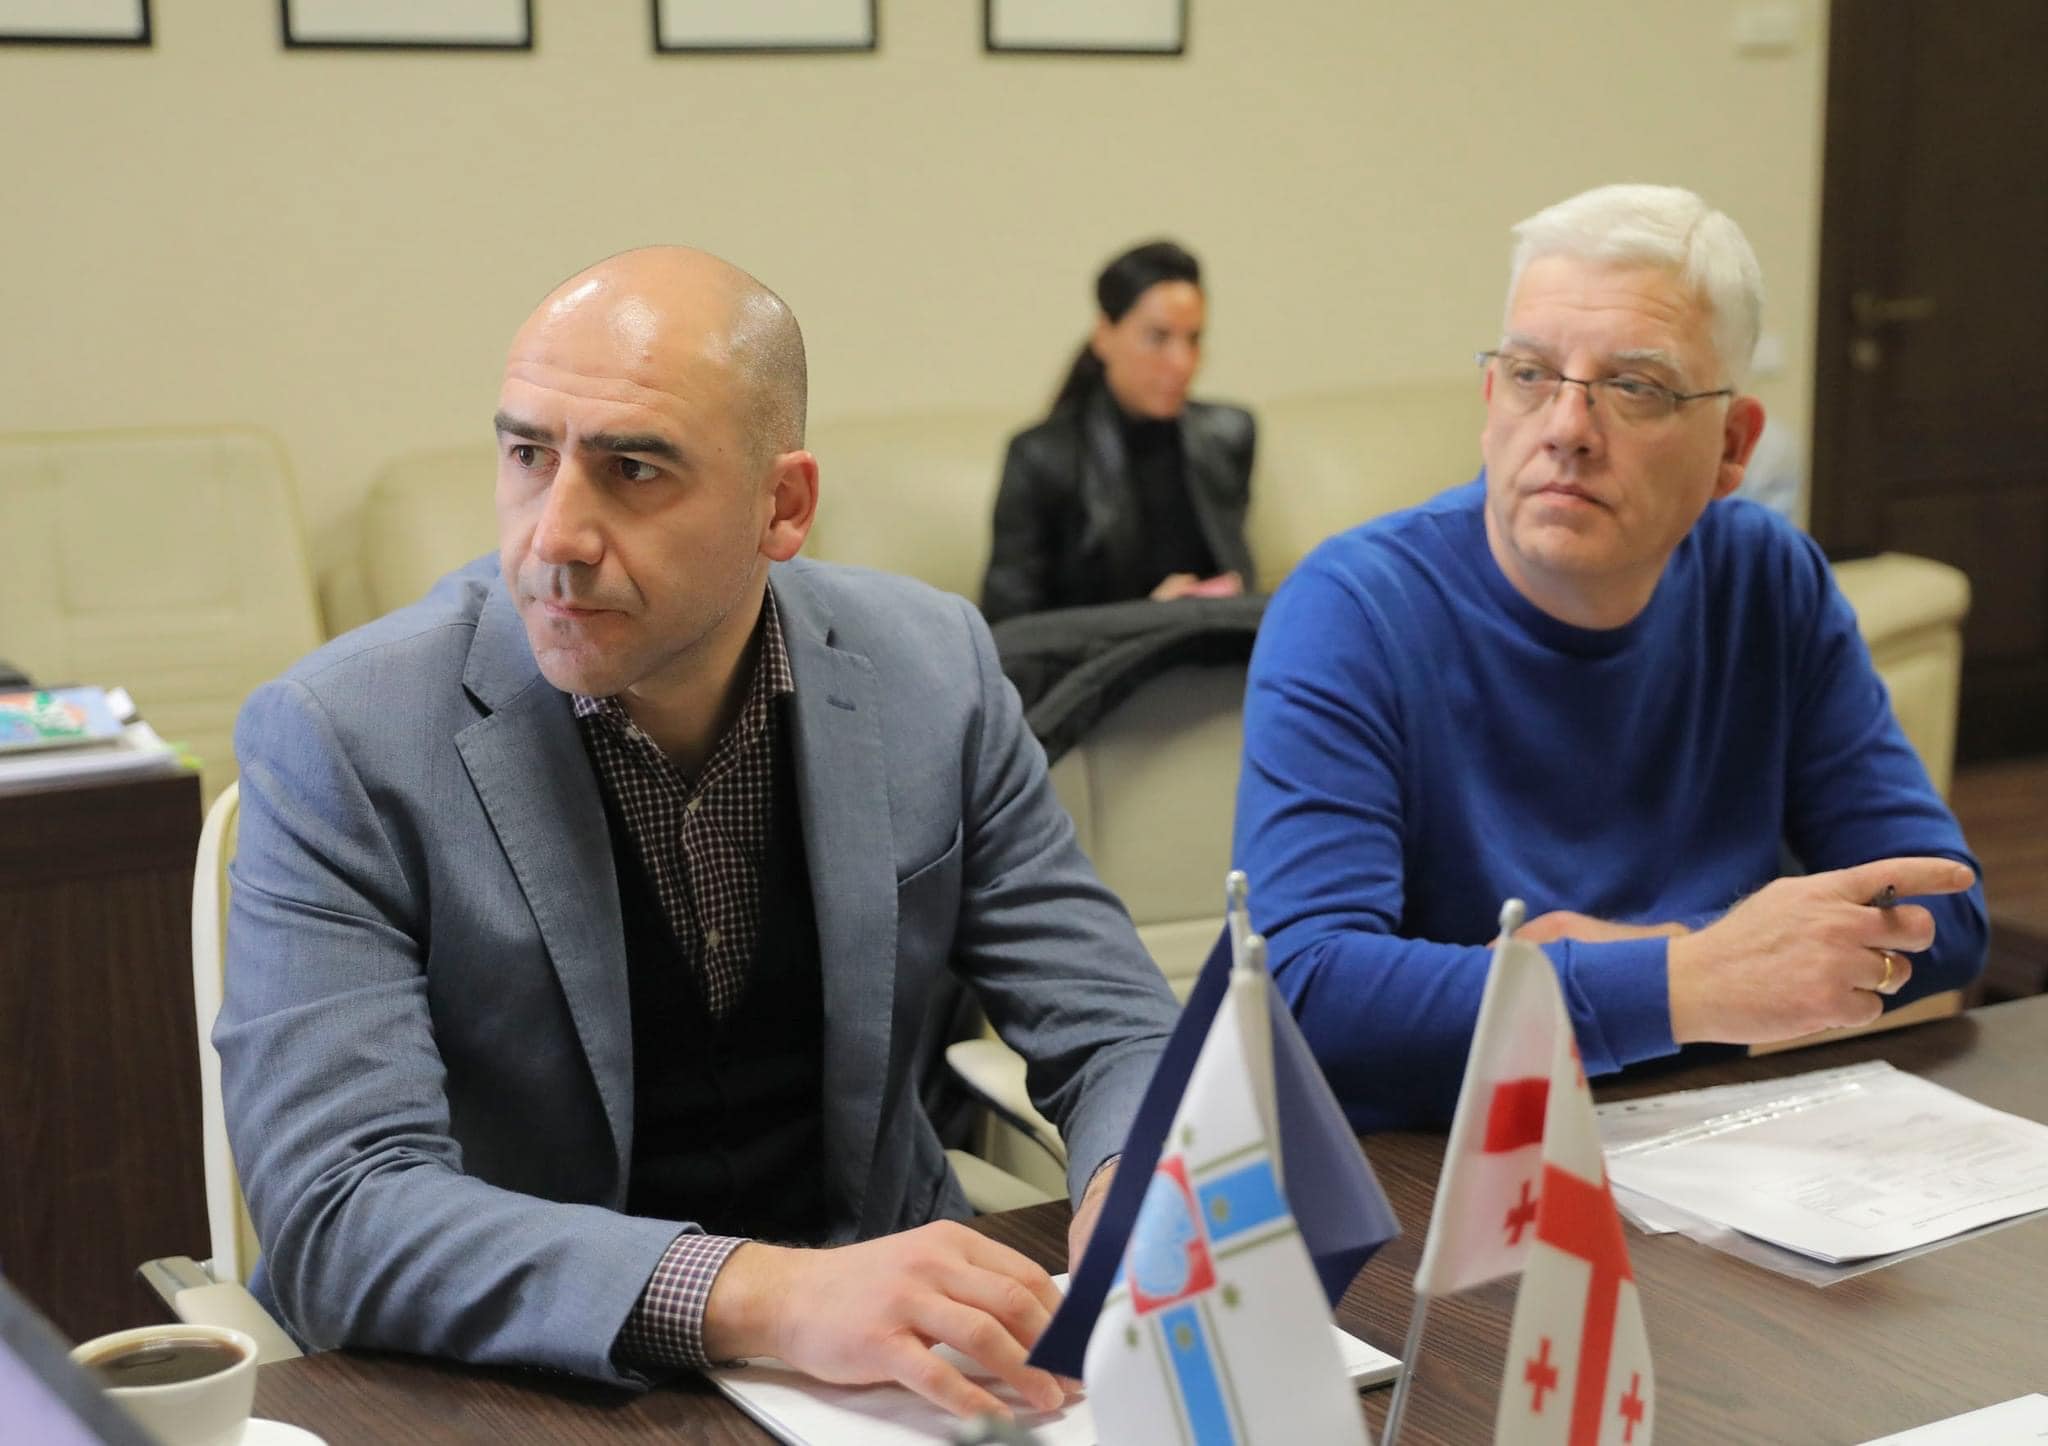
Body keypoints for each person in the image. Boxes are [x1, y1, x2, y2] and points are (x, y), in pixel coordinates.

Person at [216, 247, 1181, 1420]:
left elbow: (1115, 1024)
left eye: (632, 470)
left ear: (783, 506)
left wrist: (1136, 1186)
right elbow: (340, 1209)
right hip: (531, 1389)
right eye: (527, 456)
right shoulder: (342, 738)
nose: (555, 536)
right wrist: (762, 1295)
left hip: (890, 1379)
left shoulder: (934, 672)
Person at [1231, 185, 1987, 1131]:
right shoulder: (1351, 607)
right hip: (1441, 1164)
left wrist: (1654, 968)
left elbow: (1946, 912)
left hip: (1717, 1140)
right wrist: (1692, 980)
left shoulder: (1767, 578)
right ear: (1490, 402)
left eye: (1635, 387)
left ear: (1733, 447)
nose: (1566, 428)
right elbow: (1303, 992)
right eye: (1531, 374)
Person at [980, 240, 1256, 624]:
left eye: (1193, 339)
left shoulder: (1228, 435)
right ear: (1104, 336)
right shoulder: (1041, 458)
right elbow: (1010, 627)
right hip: (1104, 657)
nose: (1182, 363)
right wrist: (1145, 619)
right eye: (1158, 337)